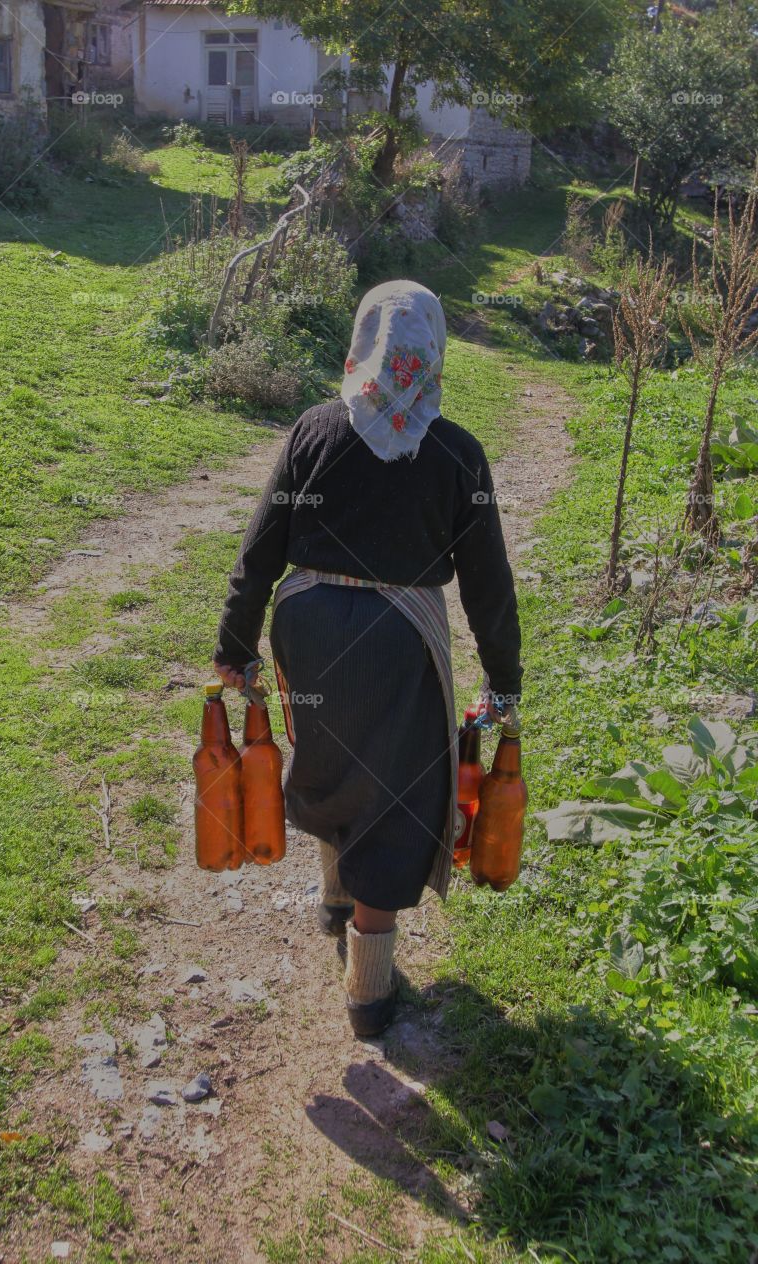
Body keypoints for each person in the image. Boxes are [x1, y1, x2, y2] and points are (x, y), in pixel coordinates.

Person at [212, 280, 522, 1037]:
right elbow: (488, 583)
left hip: (308, 628)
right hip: (397, 637)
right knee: (399, 792)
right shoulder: (456, 453)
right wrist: (503, 678)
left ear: (360, 348)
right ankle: (369, 994)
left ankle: (334, 900)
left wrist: (235, 643)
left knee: (328, 752)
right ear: (433, 356)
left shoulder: (312, 431)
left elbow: (260, 548)